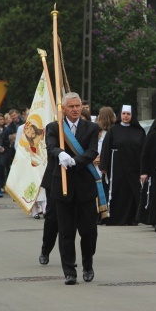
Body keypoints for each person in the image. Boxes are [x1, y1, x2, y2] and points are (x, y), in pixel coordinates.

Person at [46, 92, 100, 285]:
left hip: (85, 186)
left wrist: (75, 161)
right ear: (63, 109)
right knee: (66, 233)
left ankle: (87, 265)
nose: (76, 109)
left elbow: (93, 152)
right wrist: (60, 154)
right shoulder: (54, 128)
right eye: (72, 107)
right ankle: (69, 271)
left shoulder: (92, 127)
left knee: (89, 232)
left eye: (78, 106)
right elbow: (50, 147)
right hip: (63, 186)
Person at [99, 105, 145, 226]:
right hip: (117, 166)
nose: (125, 116)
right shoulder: (114, 130)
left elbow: (144, 151)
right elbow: (105, 148)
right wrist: (103, 166)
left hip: (134, 166)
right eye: (123, 113)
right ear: (120, 115)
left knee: (132, 191)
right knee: (118, 192)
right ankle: (115, 218)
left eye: (128, 114)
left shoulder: (139, 131)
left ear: (132, 116)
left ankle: (132, 218)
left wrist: (144, 169)